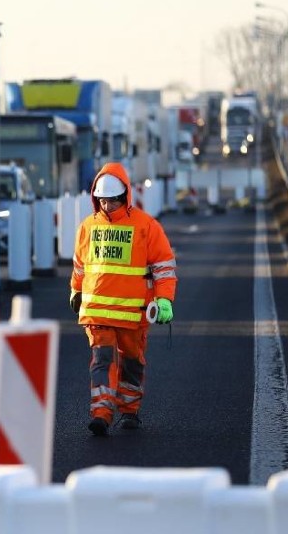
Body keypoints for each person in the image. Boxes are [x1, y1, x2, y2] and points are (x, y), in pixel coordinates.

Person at [69, 162, 177, 436]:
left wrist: (164, 300)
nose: (108, 206)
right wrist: (75, 289)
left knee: (131, 361)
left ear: (124, 197)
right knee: (102, 360)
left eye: (113, 201)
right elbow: (81, 265)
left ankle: (129, 411)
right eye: (103, 200)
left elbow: (163, 267)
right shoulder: (87, 227)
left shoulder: (145, 227)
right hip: (98, 312)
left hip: (133, 314)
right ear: (96, 198)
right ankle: (101, 413)